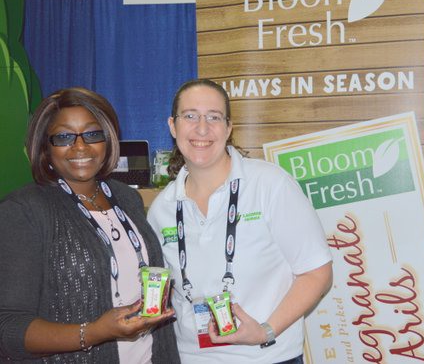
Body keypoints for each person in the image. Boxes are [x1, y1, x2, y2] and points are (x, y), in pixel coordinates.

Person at [147, 79, 332, 364]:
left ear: (228, 128)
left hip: (267, 356)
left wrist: (265, 331)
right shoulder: (162, 208)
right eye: (190, 116)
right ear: (173, 126)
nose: (202, 128)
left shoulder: (270, 184)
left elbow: (317, 273)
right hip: (190, 357)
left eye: (214, 117)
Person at [0, 87, 181, 363]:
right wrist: (96, 332)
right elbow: (9, 329)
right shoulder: (24, 210)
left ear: (108, 139)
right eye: (64, 137)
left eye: (92, 134)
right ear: (45, 148)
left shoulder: (126, 197)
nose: (80, 146)